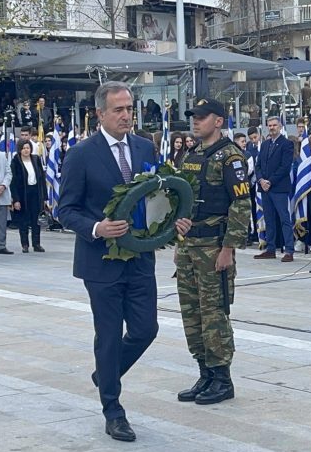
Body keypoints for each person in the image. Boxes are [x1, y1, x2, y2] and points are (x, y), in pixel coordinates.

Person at [57, 81, 191, 442]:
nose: (126, 115)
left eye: (130, 108)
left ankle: (106, 373)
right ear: (100, 113)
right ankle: (113, 411)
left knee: (146, 329)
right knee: (109, 335)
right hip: (100, 262)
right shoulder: (81, 154)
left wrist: (173, 219)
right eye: (118, 109)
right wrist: (97, 227)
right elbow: (64, 209)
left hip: (140, 258)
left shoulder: (145, 147)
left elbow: (157, 196)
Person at [176, 99, 250, 406]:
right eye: (194, 117)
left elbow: (241, 204)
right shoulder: (192, 154)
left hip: (213, 248)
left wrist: (228, 249)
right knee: (192, 315)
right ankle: (205, 373)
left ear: (218, 121)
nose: (196, 121)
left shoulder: (230, 157)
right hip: (189, 246)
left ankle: (222, 379)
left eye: (202, 117)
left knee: (214, 314)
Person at [254, 116, 295, 262]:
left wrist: (269, 181)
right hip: (264, 188)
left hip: (278, 187)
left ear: (280, 126)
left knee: (284, 219)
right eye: (269, 125)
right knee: (269, 219)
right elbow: (258, 165)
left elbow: (285, 167)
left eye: (274, 125)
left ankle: (289, 250)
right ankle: (270, 248)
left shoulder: (287, 144)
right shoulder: (264, 144)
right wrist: (260, 180)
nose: (272, 128)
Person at [10, 139, 47, 253]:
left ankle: (36, 244)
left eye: (28, 148)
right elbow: (13, 182)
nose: (26, 150)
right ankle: (24, 244)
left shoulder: (36, 159)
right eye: (24, 148)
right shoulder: (16, 161)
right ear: (20, 149)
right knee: (23, 220)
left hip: (36, 192)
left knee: (36, 220)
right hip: (23, 195)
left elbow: (42, 180)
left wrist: (44, 197)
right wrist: (16, 199)